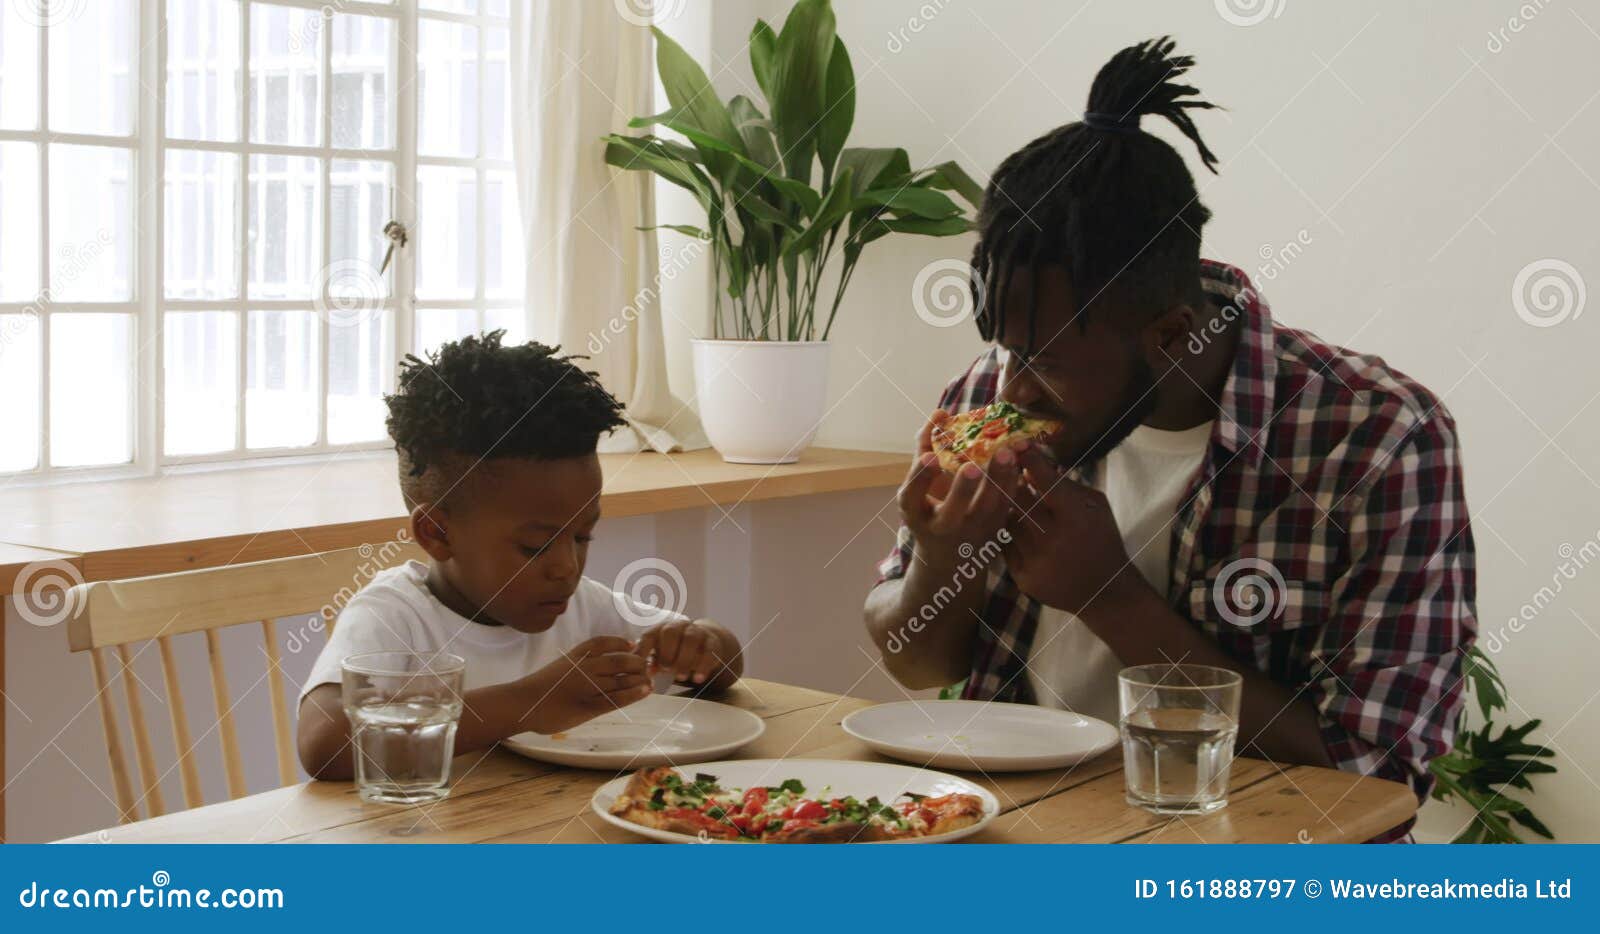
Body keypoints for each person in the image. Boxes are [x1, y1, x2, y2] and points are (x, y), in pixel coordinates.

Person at [863, 38, 1475, 841]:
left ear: (1173, 335)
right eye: (1007, 349)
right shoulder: (991, 394)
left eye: (1041, 363)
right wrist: (941, 560)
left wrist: (1109, 598)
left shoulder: (1379, 441)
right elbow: (919, 663)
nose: (1009, 389)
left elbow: (1372, 779)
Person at [299, 332, 743, 779]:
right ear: (436, 533)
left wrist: (700, 645)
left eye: (583, 537)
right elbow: (324, 741)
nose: (567, 567)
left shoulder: (584, 606)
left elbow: (725, 664)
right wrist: (531, 702)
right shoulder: (396, 616)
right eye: (535, 547)